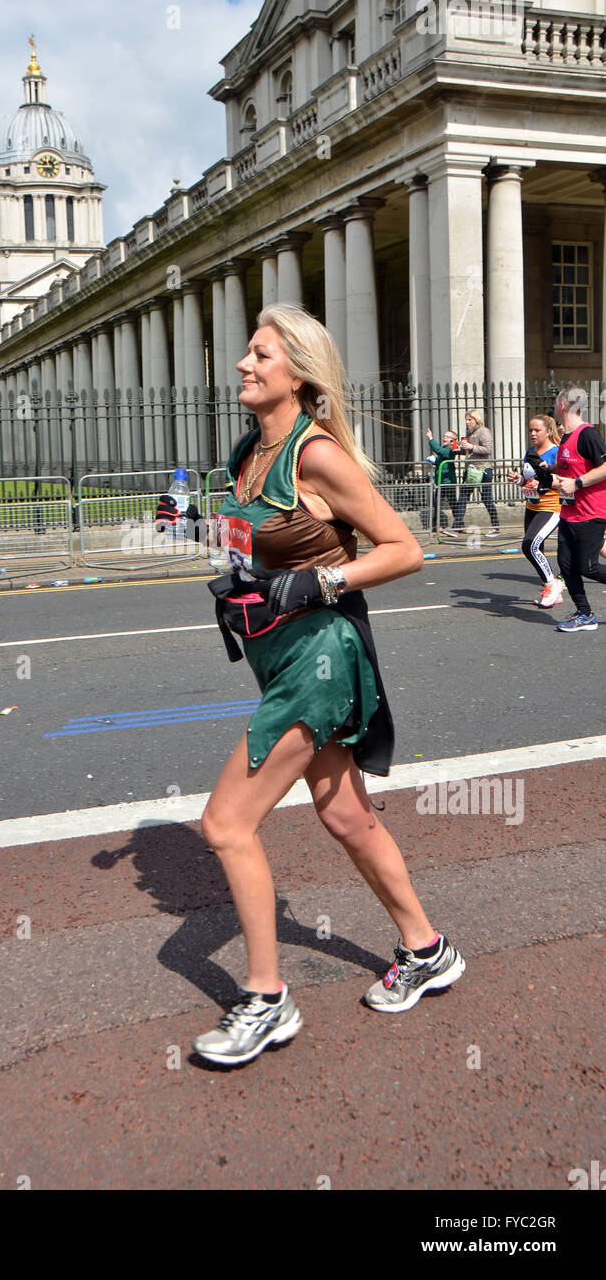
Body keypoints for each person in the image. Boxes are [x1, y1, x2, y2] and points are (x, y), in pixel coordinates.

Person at [192, 304, 465, 1067]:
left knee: (224, 825)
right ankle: (427, 949)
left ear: (298, 376)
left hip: (318, 659)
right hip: (272, 654)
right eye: (247, 353)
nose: (244, 364)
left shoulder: (315, 457)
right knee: (344, 816)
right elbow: (255, 538)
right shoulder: (249, 450)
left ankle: (265, 999)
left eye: (260, 355)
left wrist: (317, 582)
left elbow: (404, 549)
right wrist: (239, 570)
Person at [551, 385, 606, 633]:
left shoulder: (588, 434)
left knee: (588, 567)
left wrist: (578, 483)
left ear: (563, 405)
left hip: (591, 513)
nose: (554, 406)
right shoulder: (566, 438)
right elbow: (567, 470)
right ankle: (584, 614)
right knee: (566, 566)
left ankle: (585, 614)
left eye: (556, 402)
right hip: (569, 513)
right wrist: (544, 469)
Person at [507, 415, 563, 607]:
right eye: (530, 430)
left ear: (548, 431)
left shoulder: (557, 452)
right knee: (536, 549)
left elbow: (566, 482)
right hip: (532, 505)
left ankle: (552, 584)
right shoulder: (530, 452)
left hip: (551, 507)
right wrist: (519, 480)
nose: (532, 433)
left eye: (537, 430)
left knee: (529, 545)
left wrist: (546, 482)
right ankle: (552, 590)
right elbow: (528, 479)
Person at [443, 411, 500, 537]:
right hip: (471, 471)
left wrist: (471, 446)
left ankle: (496, 527)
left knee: (487, 499)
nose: (467, 422)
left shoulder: (483, 431)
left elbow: (488, 449)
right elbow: (469, 451)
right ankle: (456, 527)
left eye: (469, 419)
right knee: (463, 497)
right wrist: (459, 449)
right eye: (466, 420)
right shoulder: (470, 433)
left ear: (476, 419)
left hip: (483, 470)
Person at [422, 427, 459, 531]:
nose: (444, 438)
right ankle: (437, 524)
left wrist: (431, 439)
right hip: (440, 481)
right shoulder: (446, 448)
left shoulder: (451, 448)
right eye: (444, 436)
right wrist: (434, 461)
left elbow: (441, 452)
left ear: (453, 440)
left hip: (448, 481)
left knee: (451, 503)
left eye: (447, 437)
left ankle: (458, 522)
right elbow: (441, 456)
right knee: (437, 503)